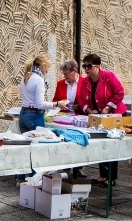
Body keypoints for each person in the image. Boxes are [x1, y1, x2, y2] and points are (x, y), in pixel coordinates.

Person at [76, 53, 126, 186]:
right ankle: (103, 175)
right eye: (84, 66)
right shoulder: (85, 81)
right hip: (98, 116)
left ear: (97, 66)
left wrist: (109, 107)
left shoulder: (108, 76)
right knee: (102, 145)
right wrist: (88, 109)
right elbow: (81, 98)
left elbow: (120, 92)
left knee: (111, 146)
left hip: (113, 115)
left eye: (89, 66)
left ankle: (111, 177)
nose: (86, 69)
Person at [16, 53, 57, 184]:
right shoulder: (38, 80)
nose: (47, 71)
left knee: (25, 149)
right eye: (47, 68)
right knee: (37, 150)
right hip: (34, 115)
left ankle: (20, 179)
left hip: (23, 114)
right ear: (43, 66)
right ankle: (33, 181)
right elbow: (40, 104)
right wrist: (56, 104)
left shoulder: (26, 77)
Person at [53, 59, 88, 177]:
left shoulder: (85, 82)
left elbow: (89, 99)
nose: (65, 76)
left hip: (81, 117)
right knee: (67, 141)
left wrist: (81, 106)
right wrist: (60, 103)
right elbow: (55, 100)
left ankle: (78, 167)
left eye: (67, 73)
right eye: (64, 74)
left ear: (75, 71)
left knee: (78, 142)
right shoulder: (60, 83)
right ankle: (67, 167)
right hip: (65, 118)